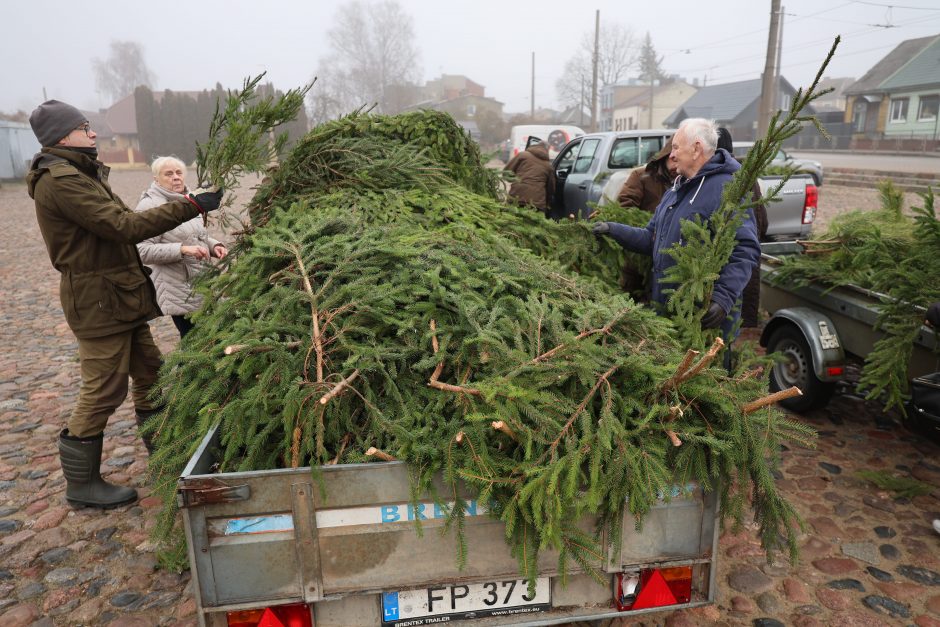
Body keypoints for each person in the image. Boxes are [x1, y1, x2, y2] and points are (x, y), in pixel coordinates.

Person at [26, 100, 223, 509]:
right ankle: (82, 486)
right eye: (85, 127)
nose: (93, 132)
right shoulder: (61, 179)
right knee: (103, 389)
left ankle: (166, 452)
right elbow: (123, 226)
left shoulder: (81, 171)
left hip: (118, 295)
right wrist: (191, 205)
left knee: (152, 371)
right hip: (98, 300)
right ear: (64, 136)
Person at [592, 117, 760, 341]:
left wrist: (722, 299)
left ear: (696, 148)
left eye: (676, 148)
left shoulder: (727, 188)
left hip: (702, 320)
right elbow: (651, 238)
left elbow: (745, 248)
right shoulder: (676, 189)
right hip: (668, 311)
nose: (670, 155)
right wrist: (613, 229)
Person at [135, 156, 228, 338]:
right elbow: (141, 251)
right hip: (178, 289)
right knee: (194, 343)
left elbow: (196, 235)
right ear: (156, 179)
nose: (176, 177)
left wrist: (213, 246)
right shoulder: (149, 206)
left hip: (201, 283)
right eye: (168, 174)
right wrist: (182, 250)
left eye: (179, 173)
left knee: (213, 339)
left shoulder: (190, 201)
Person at [716, 127, 768, 328]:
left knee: (725, 325)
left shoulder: (722, 179)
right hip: (746, 270)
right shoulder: (747, 176)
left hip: (727, 271)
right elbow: (763, 221)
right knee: (734, 325)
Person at [503, 140, 555, 214]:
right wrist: (548, 203)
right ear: (547, 150)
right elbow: (551, 189)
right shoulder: (548, 166)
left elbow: (506, 173)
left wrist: (515, 180)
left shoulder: (522, 155)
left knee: (511, 220)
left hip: (516, 197)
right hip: (536, 203)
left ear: (537, 145)